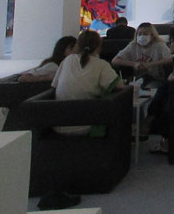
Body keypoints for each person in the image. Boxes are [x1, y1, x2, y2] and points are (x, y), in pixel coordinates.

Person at [42, 30, 124, 211]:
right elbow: (119, 86)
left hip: (58, 123)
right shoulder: (101, 65)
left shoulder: (66, 61)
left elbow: (54, 86)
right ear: (99, 46)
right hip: (87, 124)